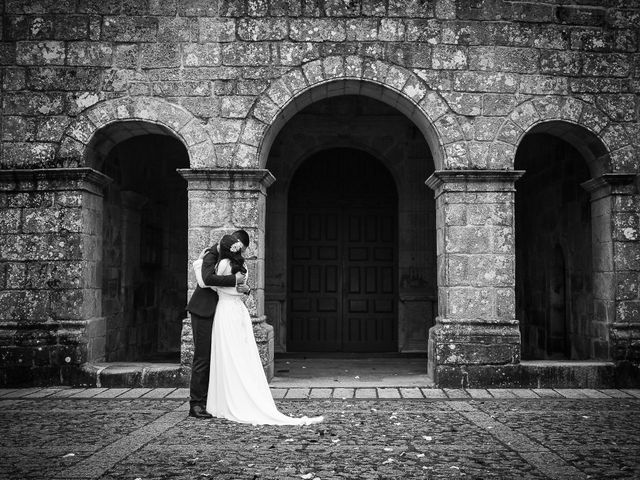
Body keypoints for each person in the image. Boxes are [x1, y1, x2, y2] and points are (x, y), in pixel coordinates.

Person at [194, 233, 323, 426]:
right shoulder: (229, 262)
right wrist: (238, 285)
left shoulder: (223, 264)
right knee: (223, 357)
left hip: (225, 312)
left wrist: (202, 264)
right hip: (224, 311)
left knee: (226, 356)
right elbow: (218, 283)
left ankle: (222, 400)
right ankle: (210, 401)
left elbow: (210, 283)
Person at [186, 230, 250, 419]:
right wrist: (234, 280)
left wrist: (245, 289)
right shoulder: (212, 253)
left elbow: (237, 287)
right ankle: (196, 404)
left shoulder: (230, 259)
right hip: (204, 311)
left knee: (218, 357)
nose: (240, 254)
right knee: (202, 357)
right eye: (239, 249)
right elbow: (207, 280)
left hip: (222, 313)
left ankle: (213, 401)